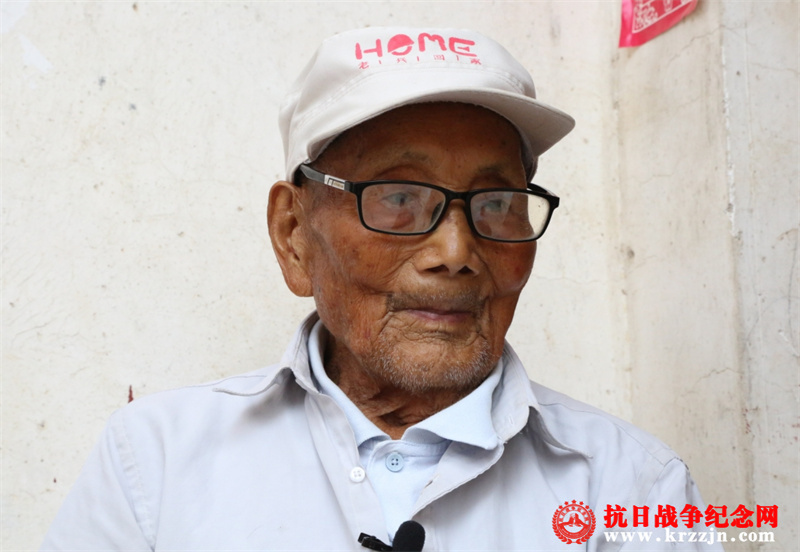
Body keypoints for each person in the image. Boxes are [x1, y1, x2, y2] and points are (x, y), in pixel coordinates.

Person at [41, 27, 723, 551]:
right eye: (398, 197)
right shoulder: (156, 461)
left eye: (495, 203)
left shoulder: (635, 487)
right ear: (294, 234)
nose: (455, 253)